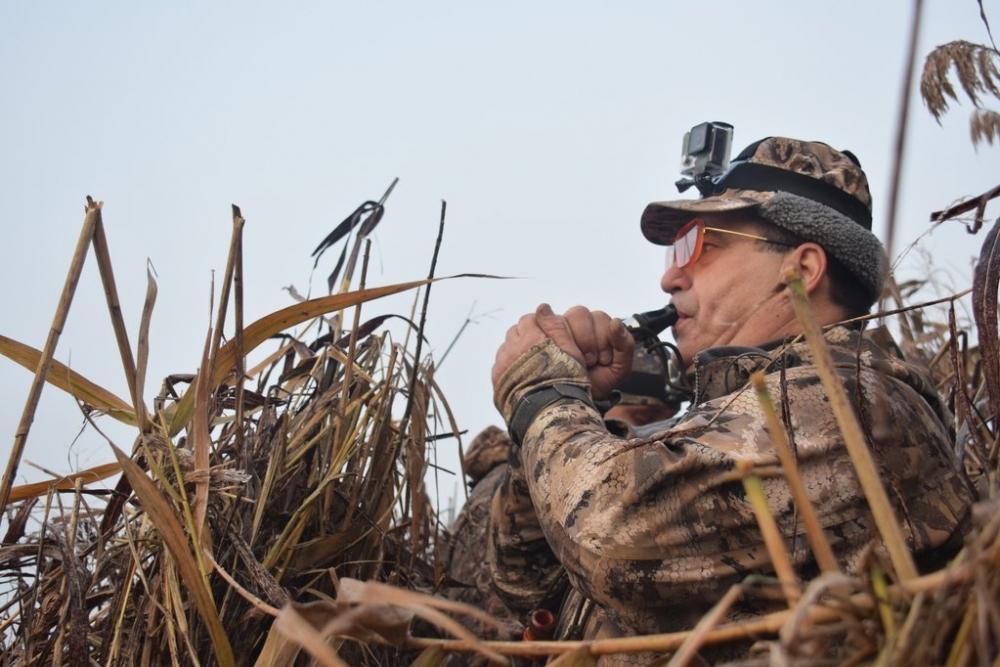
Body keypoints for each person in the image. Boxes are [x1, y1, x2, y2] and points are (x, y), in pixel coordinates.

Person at [487, 134, 973, 665]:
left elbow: (611, 542)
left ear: (800, 271)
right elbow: (528, 585)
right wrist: (574, 415)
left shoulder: (848, 404)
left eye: (698, 243)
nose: (669, 276)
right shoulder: (727, 420)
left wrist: (543, 397)